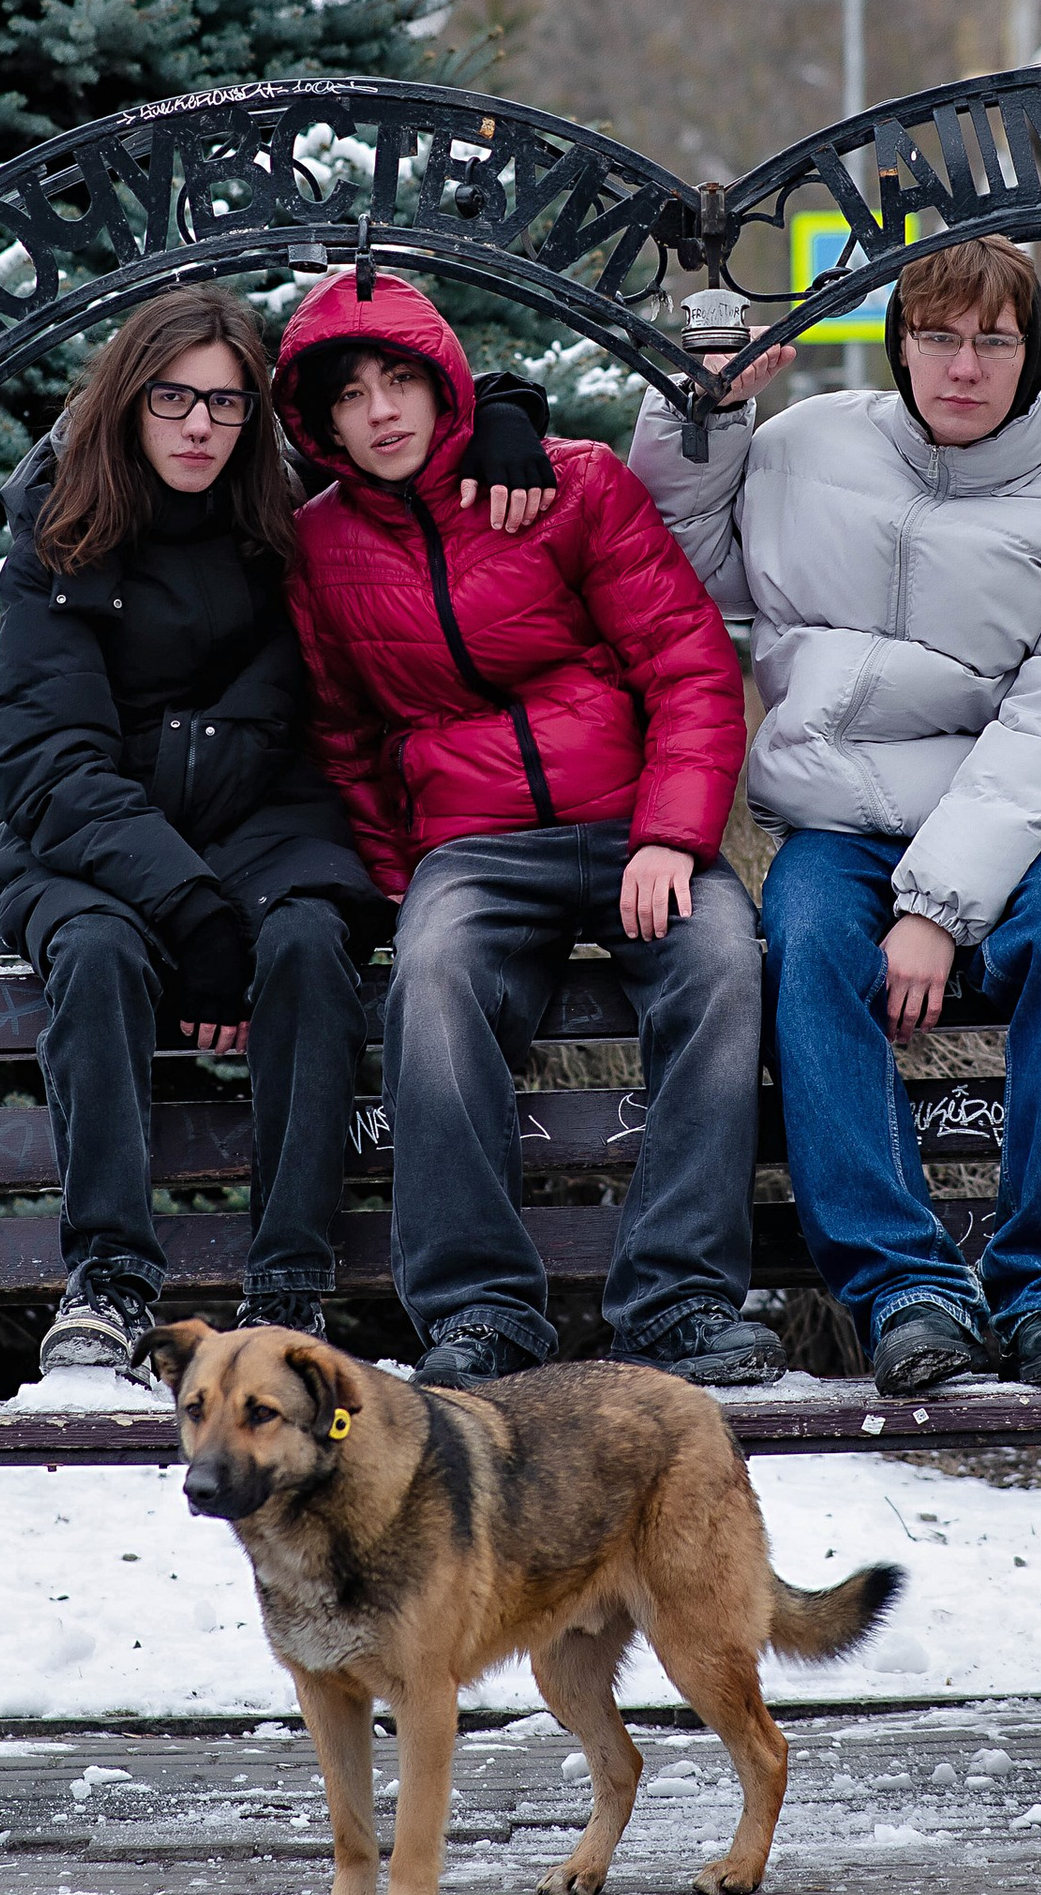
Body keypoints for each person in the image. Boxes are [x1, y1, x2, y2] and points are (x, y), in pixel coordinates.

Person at [632, 236, 1041, 1401]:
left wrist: (933, 907)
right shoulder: (804, 448)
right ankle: (904, 1290)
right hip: (841, 817)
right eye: (936, 336)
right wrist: (702, 418)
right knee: (811, 934)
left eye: (991, 341)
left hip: (1027, 826)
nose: (961, 365)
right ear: (898, 343)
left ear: (1029, 357)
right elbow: (677, 564)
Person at [277, 268, 779, 1393]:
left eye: (400, 378)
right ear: (322, 421)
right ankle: (481, 1311)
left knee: (719, 964)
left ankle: (680, 1299)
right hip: (475, 845)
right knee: (437, 971)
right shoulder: (318, 546)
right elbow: (343, 735)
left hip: (634, 823)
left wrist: (671, 833)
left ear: (445, 383)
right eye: (352, 394)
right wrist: (409, 879)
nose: (382, 411)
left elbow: (688, 664)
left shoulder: (573, 485)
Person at [0, 287, 400, 1375]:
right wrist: (193, 911)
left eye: (225, 402)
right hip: (88, 841)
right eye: (174, 398)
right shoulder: (61, 534)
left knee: (314, 943)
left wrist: (502, 411)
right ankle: (112, 1279)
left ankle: (289, 1286)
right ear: (130, 403)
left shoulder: (286, 521)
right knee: (98, 951)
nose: (200, 426)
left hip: (261, 822)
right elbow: (51, 765)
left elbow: (415, 443)